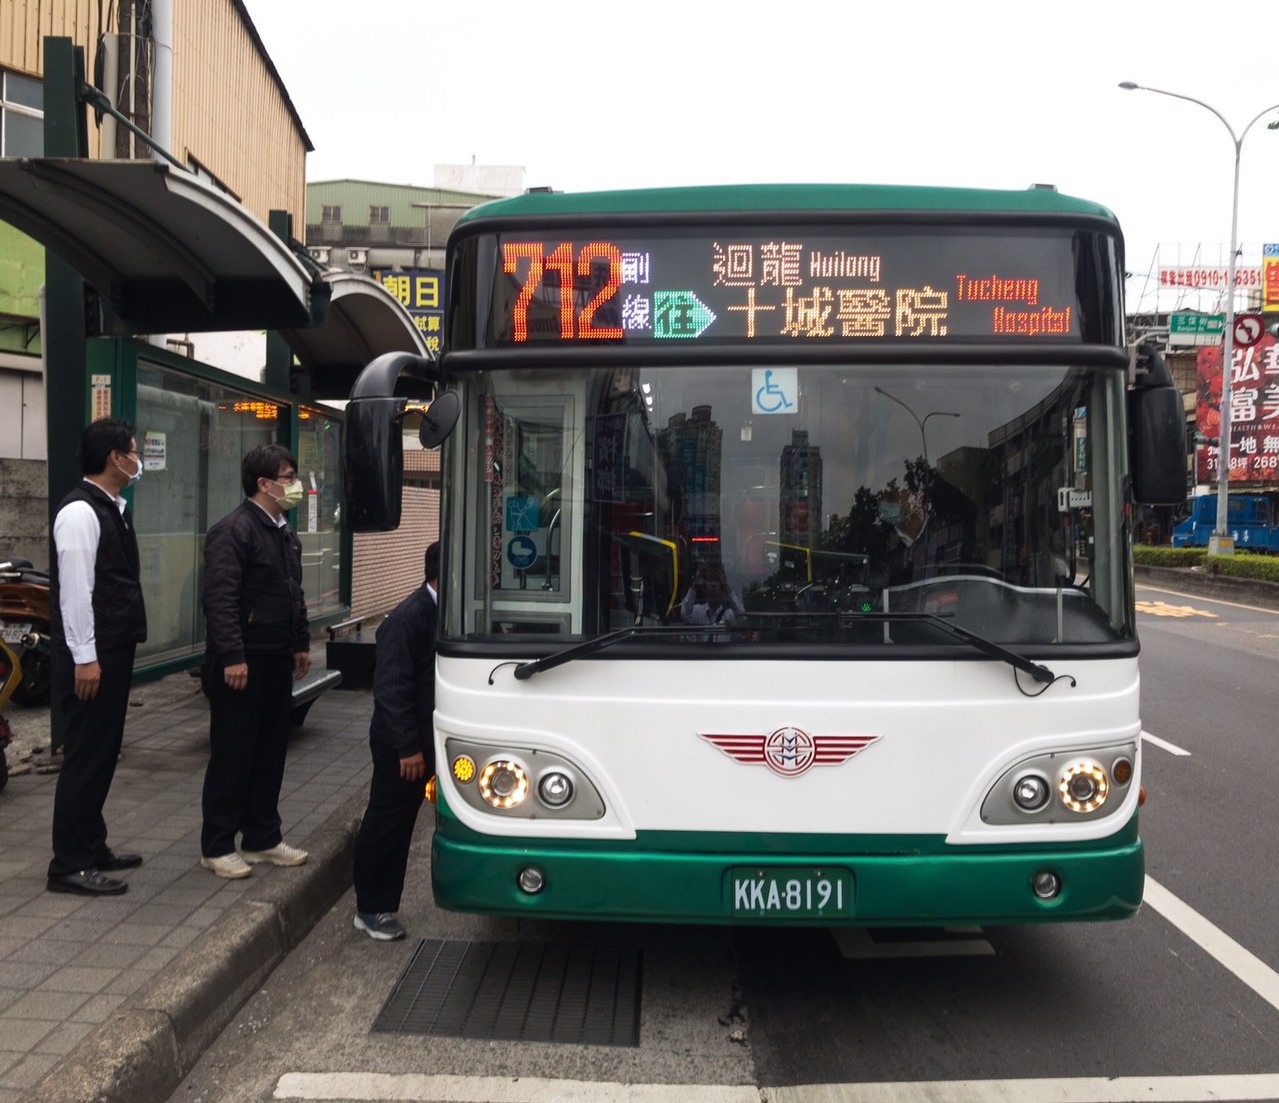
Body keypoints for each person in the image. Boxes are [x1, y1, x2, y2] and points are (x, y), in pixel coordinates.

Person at [200, 443, 311, 879]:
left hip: (274, 655)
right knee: (234, 752)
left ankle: (263, 837)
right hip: (240, 660)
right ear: (263, 483)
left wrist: (300, 641)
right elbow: (220, 598)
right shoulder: (234, 530)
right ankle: (217, 844)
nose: (295, 484)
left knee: (270, 751)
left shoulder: (283, 531)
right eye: (288, 477)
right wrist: (232, 655)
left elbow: (293, 593)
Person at [46, 418, 147, 896]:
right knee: (86, 755)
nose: (136, 457)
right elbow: (75, 593)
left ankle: (92, 842)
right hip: (92, 654)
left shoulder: (113, 507)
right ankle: (69, 862)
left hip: (110, 647)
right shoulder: (80, 513)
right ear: (114, 458)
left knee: (104, 751)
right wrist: (85, 657)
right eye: (132, 450)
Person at [352, 542, 439, 940]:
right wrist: (408, 748)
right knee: (387, 822)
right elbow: (391, 687)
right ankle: (371, 908)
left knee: (402, 822)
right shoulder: (407, 619)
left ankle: (381, 901)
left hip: (424, 738)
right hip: (400, 745)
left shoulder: (443, 612)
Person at [680, 564, 744, 639]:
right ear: (704, 588)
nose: (713, 585)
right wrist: (694, 586)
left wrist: (726, 585)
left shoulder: (729, 614)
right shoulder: (697, 612)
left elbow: (742, 616)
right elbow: (685, 614)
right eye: (710, 581)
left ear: (722, 590)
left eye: (717, 581)